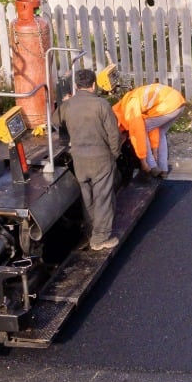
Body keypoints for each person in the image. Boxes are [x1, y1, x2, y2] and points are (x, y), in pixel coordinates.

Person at [61, 68, 123, 251]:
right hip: (100, 158)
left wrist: (66, 103)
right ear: (94, 85)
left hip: (79, 158)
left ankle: (90, 231)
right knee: (103, 197)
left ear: (75, 86)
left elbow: (56, 122)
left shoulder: (68, 105)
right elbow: (114, 134)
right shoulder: (101, 104)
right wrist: (114, 154)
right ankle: (100, 238)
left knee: (86, 196)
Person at [113, 82, 187, 177]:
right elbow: (154, 129)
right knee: (160, 132)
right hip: (178, 103)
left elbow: (139, 134)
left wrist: (143, 161)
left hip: (168, 105)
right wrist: (155, 150)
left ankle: (152, 167)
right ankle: (163, 168)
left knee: (141, 130)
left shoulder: (130, 108)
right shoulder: (130, 100)